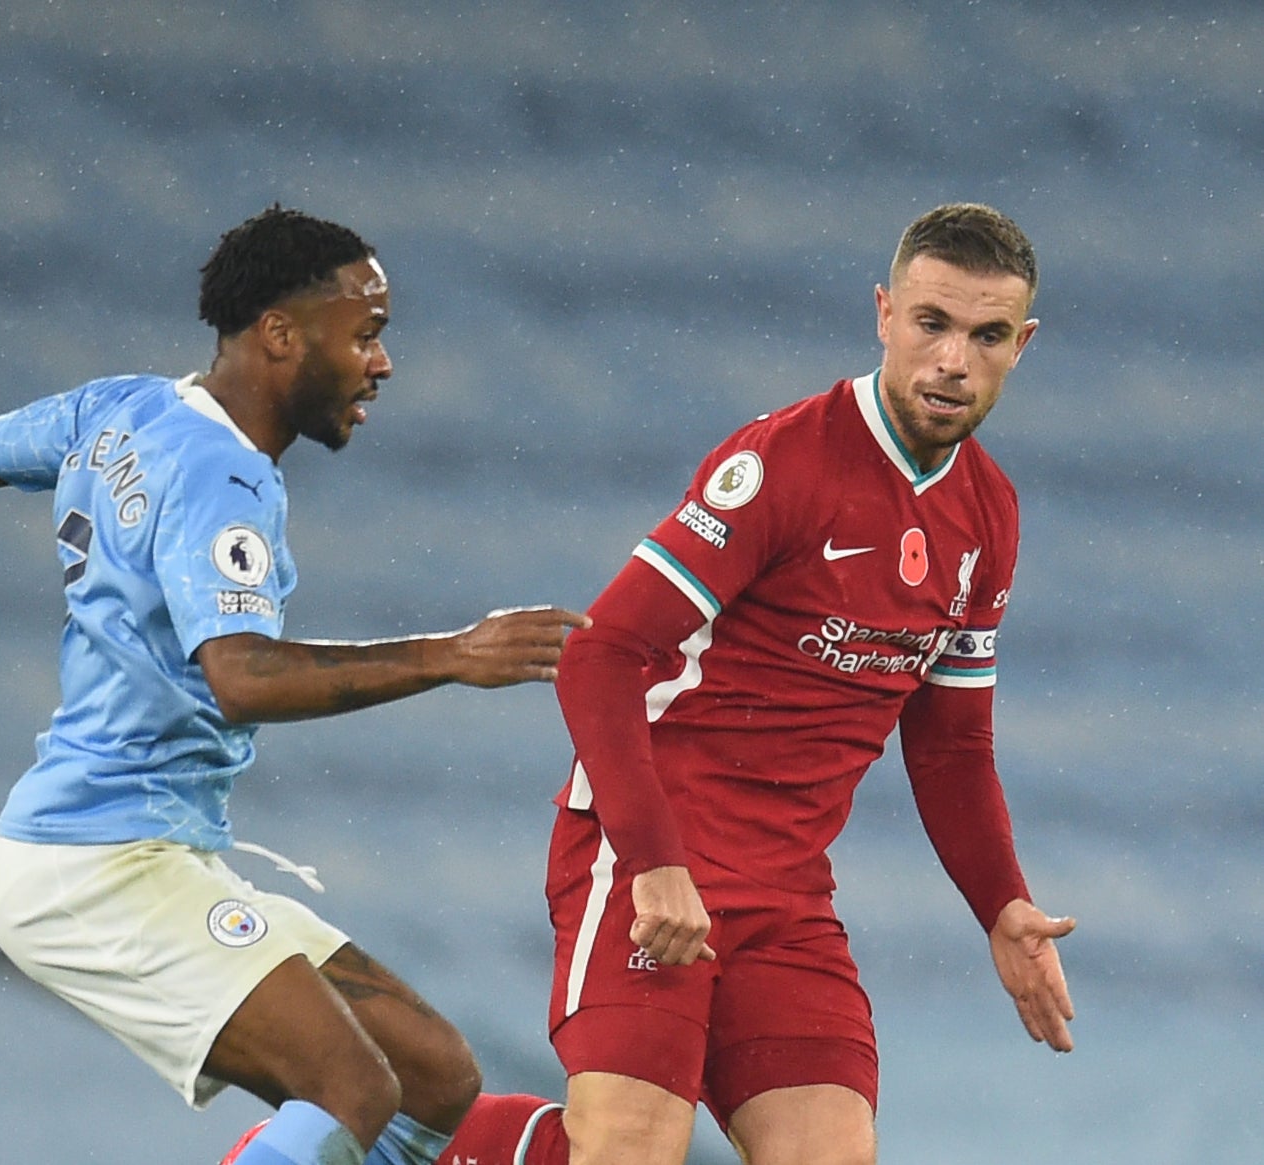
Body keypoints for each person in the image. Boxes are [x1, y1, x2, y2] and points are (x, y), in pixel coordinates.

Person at [0, 206, 588, 1165]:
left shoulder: (128, 407)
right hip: (99, 861)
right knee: (352, 1087)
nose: (380, 363)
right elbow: (241, 677)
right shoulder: (223, 480)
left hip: (134, 847)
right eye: (367, 334)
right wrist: (449, 655)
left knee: (433, 1076)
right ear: (281, 334)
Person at [416, 202, 1078, 1165]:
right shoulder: (780, 462)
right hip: (646, 855)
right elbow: (602, 654)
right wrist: (654, 860)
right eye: (931, 325)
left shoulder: (989, 512)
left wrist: (1001, 905)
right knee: (628, 1152)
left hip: (786, 895)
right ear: (884, 314)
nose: (952, 360)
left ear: (1020, 345)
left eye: (984, 336)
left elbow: (948, 742)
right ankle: (391, 1128)